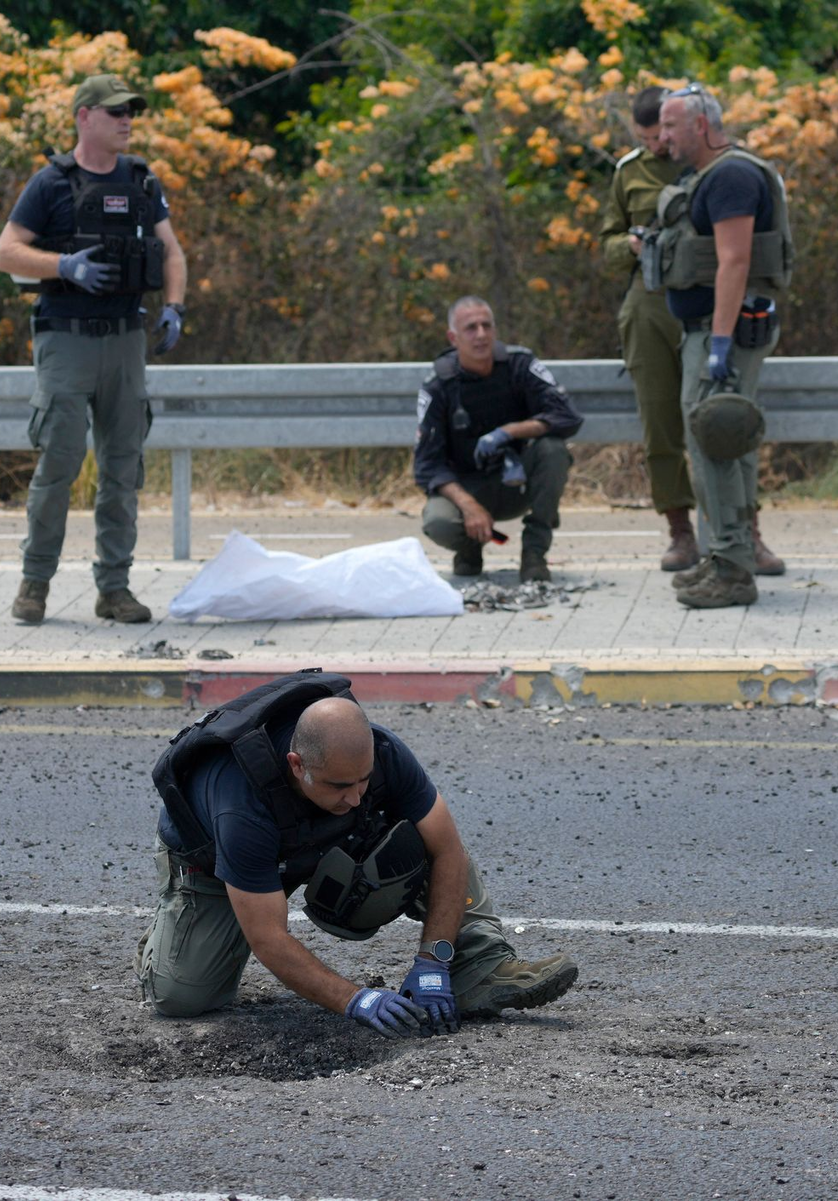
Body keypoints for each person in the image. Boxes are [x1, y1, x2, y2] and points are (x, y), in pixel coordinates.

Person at [137, 672, 579, 1036]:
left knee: (418, 839)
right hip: (217, 864)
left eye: (363, 780)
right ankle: (167, 942)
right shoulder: (241, 806)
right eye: (339, 786)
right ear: (297, 765)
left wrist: (433, 960)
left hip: (318, 836)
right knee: (182, 997)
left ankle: (480, 964)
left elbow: (447, 849)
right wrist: (357, 999)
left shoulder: (382, 751)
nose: (355, 797)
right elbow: (268, 936)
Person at [0, 74, 187, 626]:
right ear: (84, 116)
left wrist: (174, 306)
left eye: (131, 112)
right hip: (66, 338)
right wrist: (63, 265)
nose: (127, 120)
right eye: (115, 112)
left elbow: (172, 252)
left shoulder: (142, 180)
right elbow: (7, 250)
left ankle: (114, 589)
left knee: (123, 469)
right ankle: (35, 584)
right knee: (59, 462)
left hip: (126, 339)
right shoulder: (51, 183)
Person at [651, 85, 790, 608]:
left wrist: (721, 343)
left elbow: (735, 260)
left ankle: (732, 568)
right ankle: (730, 556)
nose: (663, 137)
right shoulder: (707, 176)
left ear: (701, 125)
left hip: (721, 331)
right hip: (710, 328)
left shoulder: (731, 176)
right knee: (724, 441)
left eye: (670, 126)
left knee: (715, 437)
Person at [414, 296, 583, 583]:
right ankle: (470, 547)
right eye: (471, 328)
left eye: (486, 326)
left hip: (516, 482)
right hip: (468, 485)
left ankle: (534, 553)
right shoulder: (439, 384)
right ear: (453, 338)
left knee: (553, 450)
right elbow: (427, 465)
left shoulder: (520, 364)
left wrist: (511, 431)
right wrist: (469, 506)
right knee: (439, 522)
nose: (481, 334)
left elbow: (567, 416)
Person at [598, 86, 697, 571]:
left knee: (723, 419)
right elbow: (608, 245)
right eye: (647, 138)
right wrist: (632, 246)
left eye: (662, 135)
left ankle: (743, 527)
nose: (658, 145)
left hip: (705, 297)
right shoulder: (629, 171)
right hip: (651, 300)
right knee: (660, 425)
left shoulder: (709, 162)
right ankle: (680, 530)